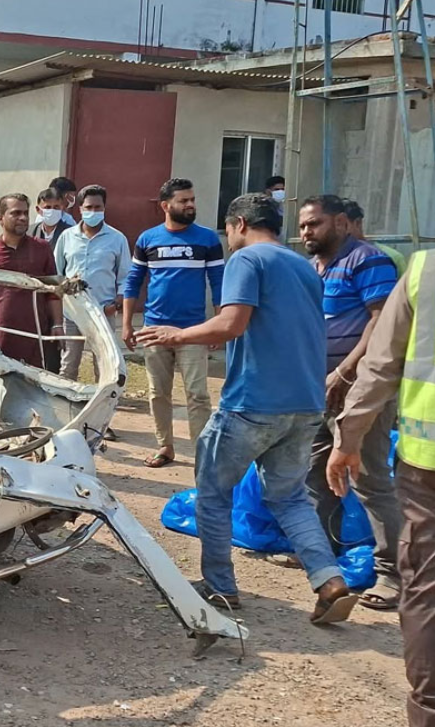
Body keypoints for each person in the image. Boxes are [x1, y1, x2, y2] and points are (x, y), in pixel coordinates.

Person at [138, 193, 357, 625]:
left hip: (253, 401)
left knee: (213, 492)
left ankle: (220, 587)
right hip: (304, 403)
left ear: (239, 224)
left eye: (228, 230)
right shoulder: (305, 266)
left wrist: (174, 335)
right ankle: (329, 580)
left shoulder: (247, 259)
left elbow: (231, 323)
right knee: (289, 498)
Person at [327, 250, 435, 727]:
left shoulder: (425, 271)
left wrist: (348, 436)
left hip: (427, 467)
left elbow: (381, 364)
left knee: (427, 589)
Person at [298, 195, 403, 609]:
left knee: (369, 479)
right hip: (318, 389)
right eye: (303, 226)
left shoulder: (368, 260)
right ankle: (321, 557)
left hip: (361, 392)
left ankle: (393, 574)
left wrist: (344, 372)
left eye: (315, 224)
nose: (306, 232)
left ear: (341, 222)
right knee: (314, 472)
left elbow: (381, 323)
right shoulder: (313, 268)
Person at [123, 177, 225, 468]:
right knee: (158, 393)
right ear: (166, 206)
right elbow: (133, 281)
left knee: (198, 394)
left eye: (192, 199)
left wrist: (218, 325)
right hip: (154, 329)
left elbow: (218, 283)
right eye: (184, 201)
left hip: (193, 330)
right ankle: (165, 446)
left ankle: (203, 453)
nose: (190, 205)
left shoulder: (208, 240)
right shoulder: (147, 239)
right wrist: (128, 324)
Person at [0, 193, 63, 369]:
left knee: (37, 380)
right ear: (1, 218)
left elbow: (53, 291)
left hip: (36, 333)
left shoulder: (42, 248)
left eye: (25, 213)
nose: (22, 218)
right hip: (0, 333)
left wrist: (57, 324)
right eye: (15, 213)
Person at [53, 184, 131, 381]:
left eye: (98, 207)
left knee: (105, 365)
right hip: (71, 311)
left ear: (104, 208)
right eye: (88, 207)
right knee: (68, 364)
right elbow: (56, 273)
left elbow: (126, 277)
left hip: (103, 310)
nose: (93, 211)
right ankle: (65, 397)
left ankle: (104, 397)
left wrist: (116, 304)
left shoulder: (117, 238)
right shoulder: (67, 237)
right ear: (80, 208)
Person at [344, 199, 407, 274]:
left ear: (358, 223)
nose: (337, 232)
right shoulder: (333, 258)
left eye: (343, 225)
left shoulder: (393, 258)